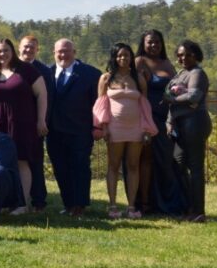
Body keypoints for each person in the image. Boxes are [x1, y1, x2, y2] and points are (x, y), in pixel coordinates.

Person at [94, 43, 156, 219]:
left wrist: (146, 128)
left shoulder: (138, 78)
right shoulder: (106, 78)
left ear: (131, 57)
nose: (123, 58)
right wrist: (104, 127)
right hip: (114, 128)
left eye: (127, 55)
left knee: (133, 166)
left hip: (136, 128)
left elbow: (145, 106)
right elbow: (101, 104)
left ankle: (131, 207)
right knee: (113, 166)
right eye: (120, 55)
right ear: (114, 57)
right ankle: (113, 206)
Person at [0, 39, 47, 214]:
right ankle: (5, 201)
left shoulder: (27, 70)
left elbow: (42, 94)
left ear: (12, 51)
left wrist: (41, 120)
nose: (2, 54)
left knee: (21, 161)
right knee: (1, 163)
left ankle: (23, 203)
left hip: (23, 123)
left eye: (6, 50)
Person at [134, 29, 186, 214]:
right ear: (143, 44)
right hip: (149, 117)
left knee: (168, 160)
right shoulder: (139, 61)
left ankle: (171, 202)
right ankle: (148, 203)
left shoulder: (167, 63)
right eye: (150, 42)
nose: (154, 45)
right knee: (150, 160)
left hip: (169, 117)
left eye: (157, 42)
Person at [48, 38, 101, 217]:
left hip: (81, 130)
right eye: (59, 52)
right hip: (54, 131)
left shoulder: (91, 74)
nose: (63, 55)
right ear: (54, 53)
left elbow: (98, 104)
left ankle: (80, 205)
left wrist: (98, 126)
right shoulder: (47, 73)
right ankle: (68, 204)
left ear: (74, 52)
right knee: (60, 168)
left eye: (67, 51)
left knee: (80, 167)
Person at [165, 40, 211, 222]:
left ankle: (198, 211)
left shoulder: (197, 73)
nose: (183, 58)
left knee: (195, 167)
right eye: (180, 55)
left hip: (195, 123)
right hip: (179, 124)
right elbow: (170, 96)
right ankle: (187, 206)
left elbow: (194, 96)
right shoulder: (181, 73)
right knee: (178, 164)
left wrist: (172, 99)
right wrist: (169, 121)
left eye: (188, 54)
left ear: (196, 55)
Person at [18, 34, 55, 211]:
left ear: (37, 50)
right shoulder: (11, 67)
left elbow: (49, 99)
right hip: (13, 124)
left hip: (35, 125)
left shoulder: (44, 71)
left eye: (32, 47)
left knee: (35, 162)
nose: (28, 50)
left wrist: (43, 122)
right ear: (19, 48)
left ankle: (38, 201)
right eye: (26, 46)